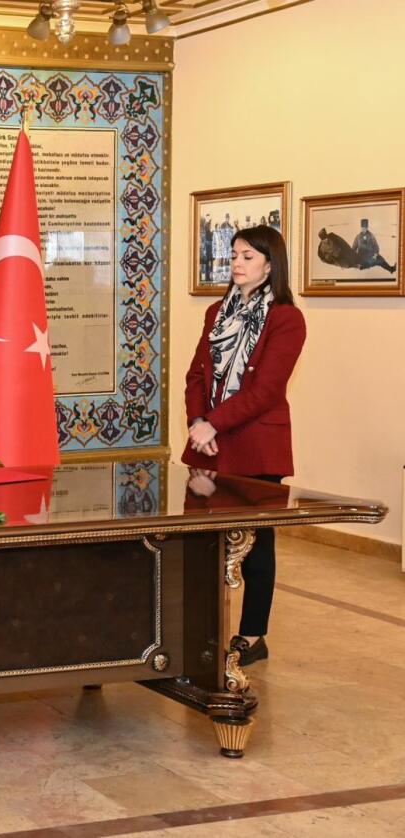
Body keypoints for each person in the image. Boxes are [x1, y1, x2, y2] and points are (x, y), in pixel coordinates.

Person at [183, 224, 306, 666]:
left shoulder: (287, 319)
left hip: (255, 448)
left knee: (255, 545)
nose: (236, 263)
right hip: (208, 444)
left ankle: (252, 636)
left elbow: (266, 391)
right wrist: (198, 422)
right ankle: (198, 631)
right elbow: (196, 375)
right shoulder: (216, 311)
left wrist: (213, 423)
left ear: (270, 265)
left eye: (247, 256)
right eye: (234, 254)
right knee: (200, 542)